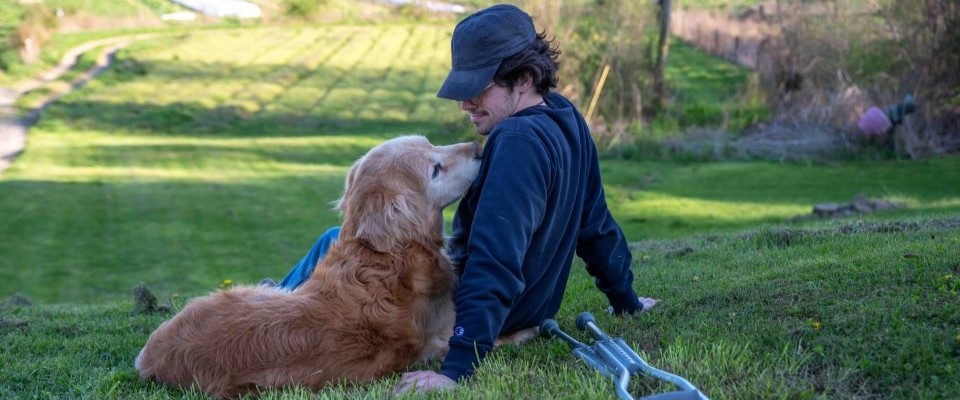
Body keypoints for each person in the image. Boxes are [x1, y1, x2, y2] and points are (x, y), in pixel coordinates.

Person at [271, 4, 655, 394]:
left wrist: (456, 368)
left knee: (334, 241)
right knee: (340, 243)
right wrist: (626, 301)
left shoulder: (517, 143)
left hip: (477, 310)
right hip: (529, 306)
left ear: (522, 79)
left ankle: (273, 317)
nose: (465, 103)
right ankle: (278, 303)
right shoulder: (565, 115)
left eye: (478, 89)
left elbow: (496, 258)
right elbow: (596, 224)